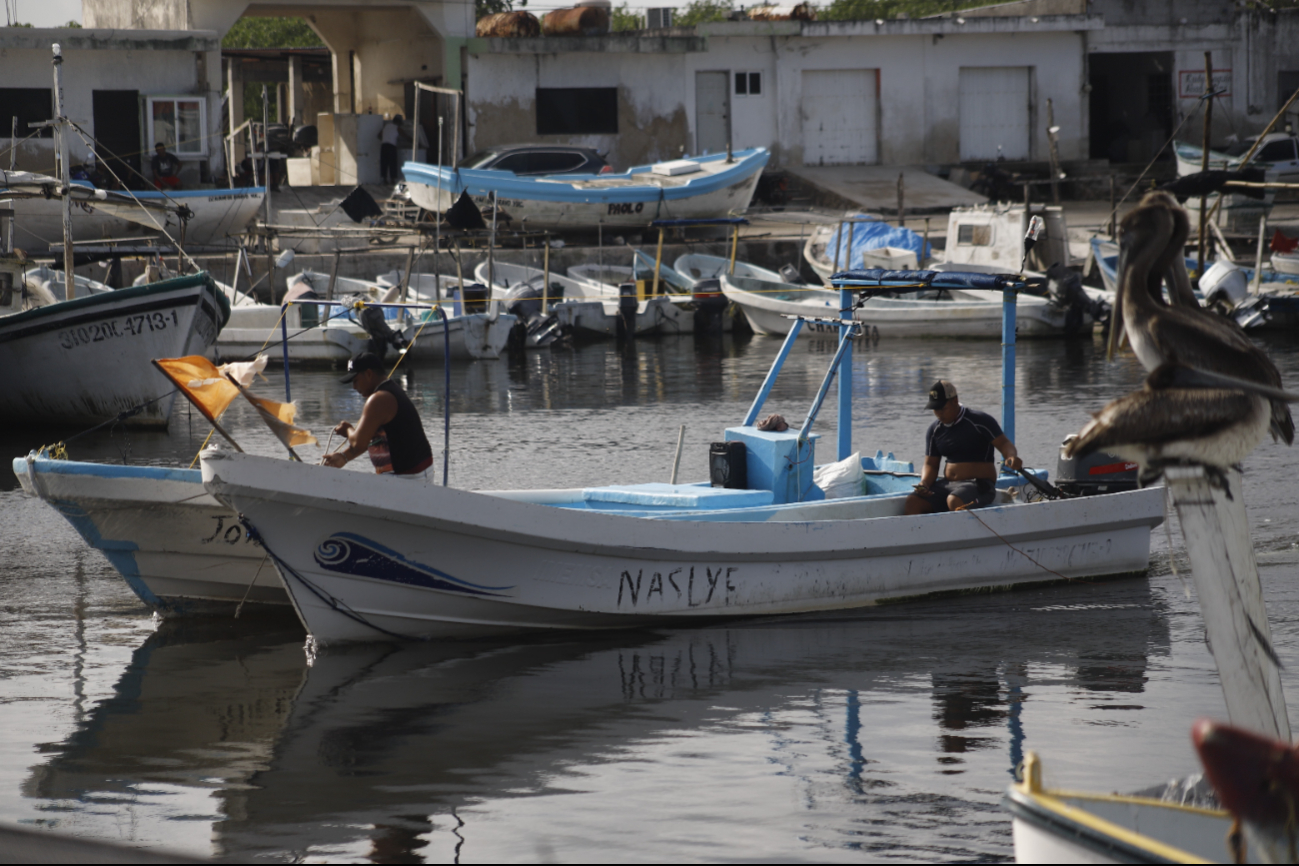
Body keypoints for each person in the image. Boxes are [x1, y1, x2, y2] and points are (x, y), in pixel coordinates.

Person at [904, 380, 1023, 515]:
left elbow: (1004, 444)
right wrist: (924, 483)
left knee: (954, 501)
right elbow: (931, 464)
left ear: (955, 401)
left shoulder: (980, 421)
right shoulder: (934, 430)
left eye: (942, 408)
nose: (939, 414)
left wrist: (1011, 456)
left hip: (979, 485)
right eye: (935, 409)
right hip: (948, 485)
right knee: (912, 502)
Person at [323, 352, 434, 478]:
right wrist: (344, 457)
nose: (354, 387)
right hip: (418, 472)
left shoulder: (379, 399)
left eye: (355, 381)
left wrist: (347, 429)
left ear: (369, 374)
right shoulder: (389, 390)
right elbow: (367, 439)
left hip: (410, 476)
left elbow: (358, 443)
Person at [378, 114, 403, 185]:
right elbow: (406, 136)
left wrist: (384, 139)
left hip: (384, 146)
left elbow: (379, 135)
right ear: (399, 122)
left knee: (384, 163)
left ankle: (384, 180)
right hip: (391, 147)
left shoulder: (386, 126)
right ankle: (392, 180)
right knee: (392, 163)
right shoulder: (397, 128)